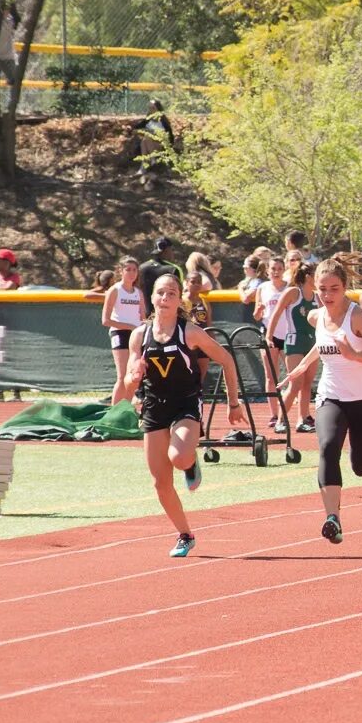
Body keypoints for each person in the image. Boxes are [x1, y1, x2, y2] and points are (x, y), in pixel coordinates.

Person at [112, 274, 243, 558]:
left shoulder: (190, 331)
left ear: (179, 298)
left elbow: (227, 360)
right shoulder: (139, 335)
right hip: (154, 406)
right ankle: (185, 534)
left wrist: (234, 403)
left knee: (180, 456)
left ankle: (191, 462)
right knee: (160, 482)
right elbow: (127, 382)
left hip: (185, 402)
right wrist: (133, 379)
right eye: (160, 293)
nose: (165, 298)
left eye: (172, 293)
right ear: (152, 299)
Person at [277, 259, 362, 543]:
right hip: (331, 395)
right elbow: (322, 342)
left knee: (360, 466)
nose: (328, 295)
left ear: (345, 288)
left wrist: (353, 355)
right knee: (328, 447)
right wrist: (302, 367)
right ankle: (333, 518)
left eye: (335, 289)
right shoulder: (315, 317)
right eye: (323, 289)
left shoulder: (357, 317)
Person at [262, 259, 316, 434]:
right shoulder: (293, 292)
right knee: (296, 382)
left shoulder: (317, 296)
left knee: (308, 383)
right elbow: (276, 313)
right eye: (317, 275)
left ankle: (303, 419)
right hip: (294, 341)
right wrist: (269, 336)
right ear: (308, 276)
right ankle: (281, 419)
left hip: (311, 342)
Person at [100, 255, 145, 387]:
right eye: (128, 269)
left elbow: (142, 317)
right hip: (120, 334)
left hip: (135, 335)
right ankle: (116, 407)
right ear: (121, 271)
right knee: (122, 376)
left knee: (134, 374)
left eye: (134, 270)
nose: (131, 273)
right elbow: (106, 320)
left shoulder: (138, 292)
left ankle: (130, 403)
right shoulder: (115, 290)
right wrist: (129, 326)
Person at [138, 237, 183, 310]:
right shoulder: (173, 269)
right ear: (166, 250)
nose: (172, 253)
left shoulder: (141, 268)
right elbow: (179, 296)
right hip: (166, 315)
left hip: (142, 315)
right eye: (171, 249)